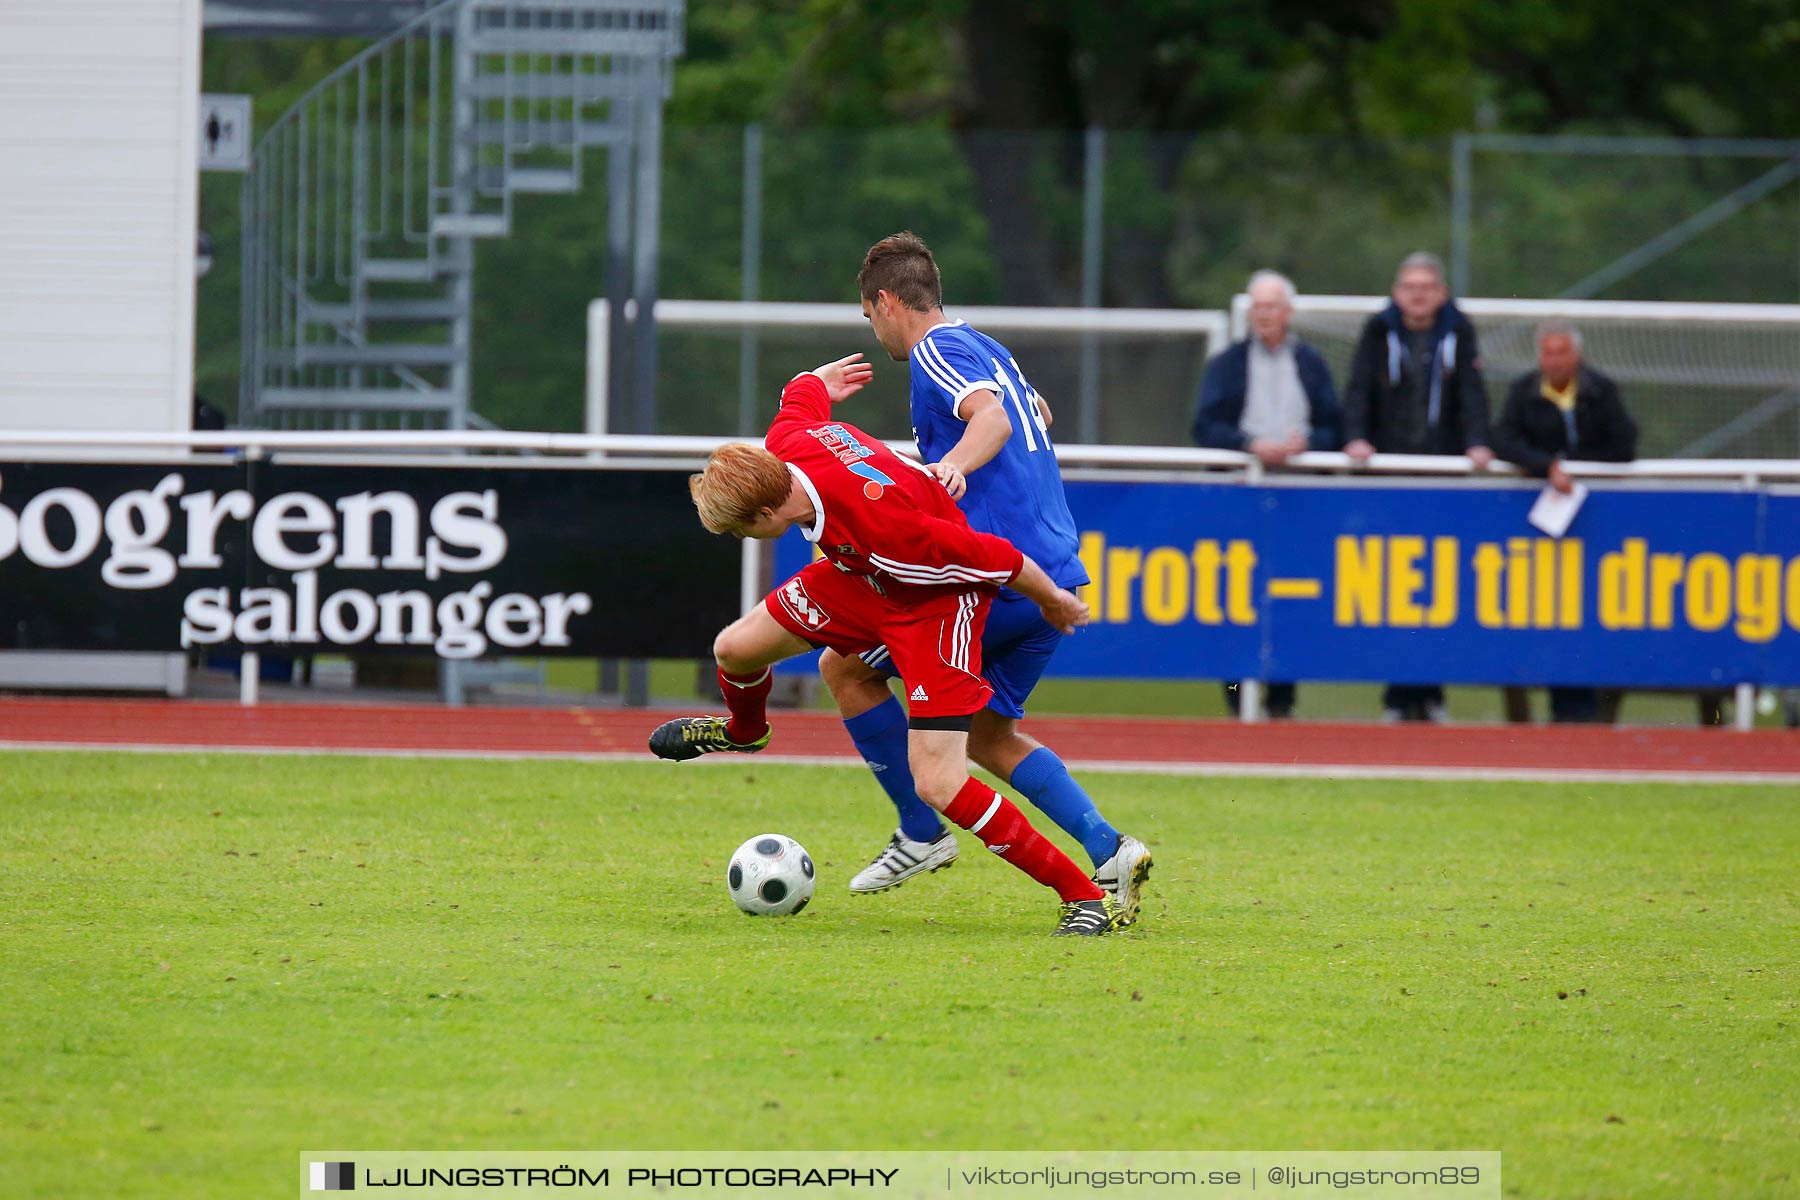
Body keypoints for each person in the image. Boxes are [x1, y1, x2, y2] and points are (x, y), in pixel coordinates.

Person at [647, 353, 1125, 937]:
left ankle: (1082, 898)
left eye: (743, 529)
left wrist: (1051, 599)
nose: (743, 539)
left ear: (770, 511)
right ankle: (746, 731)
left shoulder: (888, 532)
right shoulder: (787, 442)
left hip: (934, 605)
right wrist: (826, 378)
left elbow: (996, 559)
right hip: (862, 579)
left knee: (940, 781)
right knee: (735, 648)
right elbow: (802, 390)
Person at [808, 232, 1153, 925]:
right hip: (1057, 580)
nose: (874, 332)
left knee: (843, 667)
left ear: (884, 301)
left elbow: (992, 417)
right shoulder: (986, 346)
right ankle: (1110, 848)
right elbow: (1034, 413)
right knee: (989, 736)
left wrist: (953, 465)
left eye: (869, 316)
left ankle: (921, 831)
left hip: (999, 580)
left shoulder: (936, 349)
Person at [1343, 251, 1494, 723]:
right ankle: (1396, 695)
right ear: (1395, 292)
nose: (1418, 295)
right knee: (1393, 591)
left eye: (1426, 287)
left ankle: (1432, 694)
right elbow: (1359, 387)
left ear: (1441, 292)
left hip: (1441, 481)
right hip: (1390, 478)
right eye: (1410, 287)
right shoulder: (1378, 329)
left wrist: (1475, 443)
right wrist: (1356, 438)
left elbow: (1471, 393)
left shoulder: (1459, 330)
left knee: (1439, 591)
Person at [1192, 268, 1343, 718]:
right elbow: (1204, 426)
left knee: (1292, 596)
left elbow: (1335, 424)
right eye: (1257, 306)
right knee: (1234, 596)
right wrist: (1249, 445)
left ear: (1288, 311)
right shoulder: (1228, 363)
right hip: (1240, 501)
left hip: (1296, 502)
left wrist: (1307, 445)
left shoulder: (1311, 362)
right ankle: (1238, 701)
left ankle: (1281, 702)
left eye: (1272, 306)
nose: (1264, 315)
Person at [1492, 322, 1638, 723]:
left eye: (1561, 352)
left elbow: (1624, 445)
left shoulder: (1600, 391)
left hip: (1592, 521)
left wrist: (1581, 471)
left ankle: (1581, 708)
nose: (1553, 360)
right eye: (1546, 352)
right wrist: (1546, 466)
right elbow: (1502, 439)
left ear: (1576, 355)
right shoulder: (1524, 391)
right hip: (1539, 525)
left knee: (1589, 610)